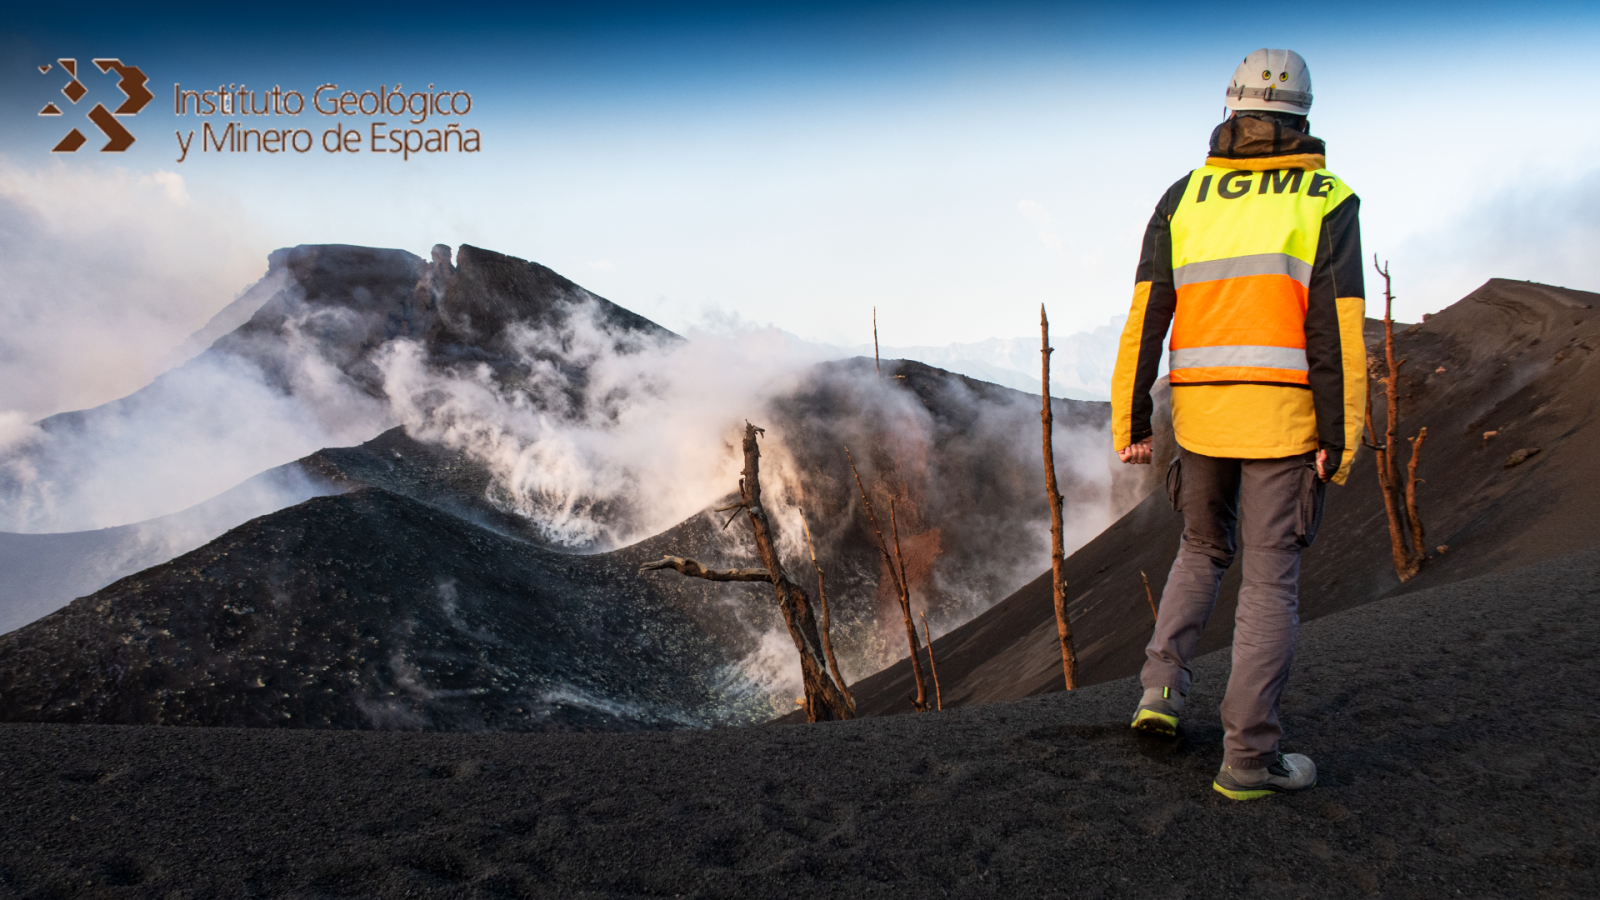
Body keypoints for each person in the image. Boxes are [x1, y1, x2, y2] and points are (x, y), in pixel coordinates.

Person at [1109, 48, 1366, 800]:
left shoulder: (1184, 197)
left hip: (1201, 417)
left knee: (1198, 547)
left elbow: (1144, 316)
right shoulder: (1327, 197)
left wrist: (1132, 416)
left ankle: (1160, 692)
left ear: (1232, 109)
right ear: (1304, 115)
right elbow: (1338, 328)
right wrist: (1340, 435)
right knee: (1269, 582)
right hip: (1282, 423)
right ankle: (1249, 760)